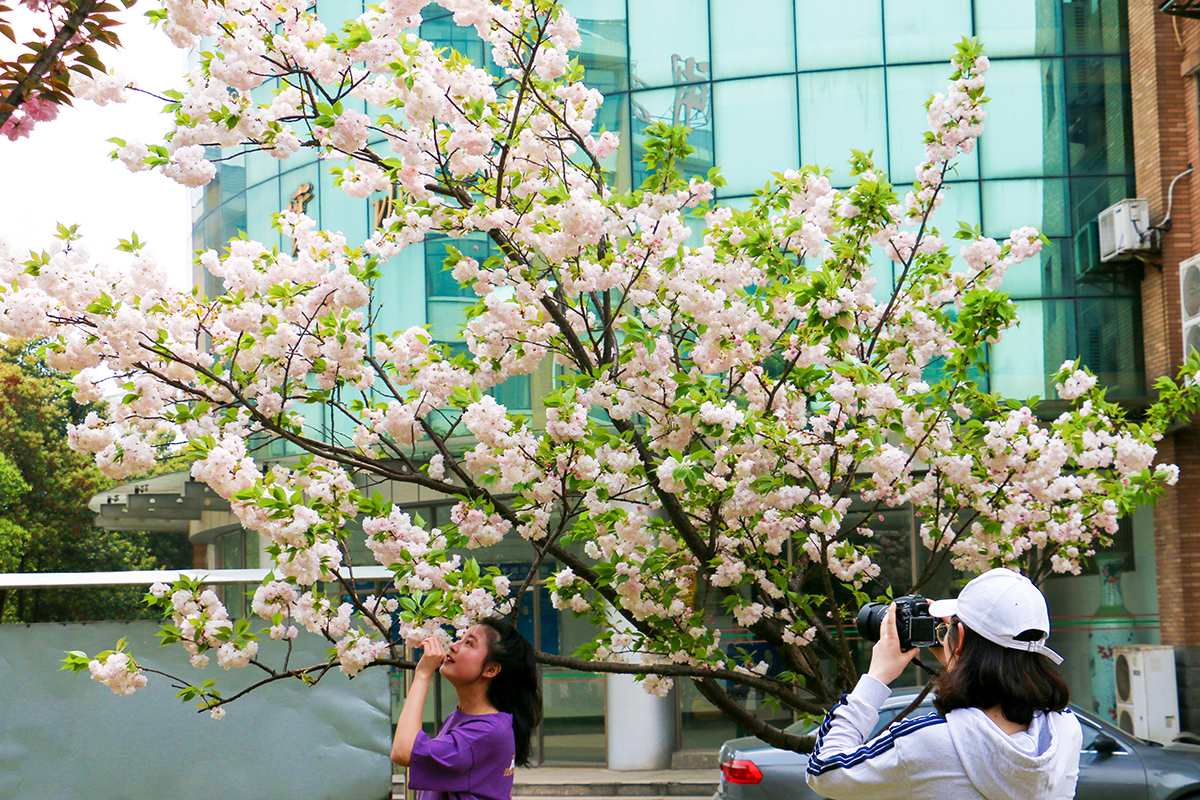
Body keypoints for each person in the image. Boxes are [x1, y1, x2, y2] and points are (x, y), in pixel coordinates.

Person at [806, 567, 1082, 800]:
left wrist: (876, 677)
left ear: (959, 635)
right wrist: (957, 654)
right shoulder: (1066, 728)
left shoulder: (927, 741)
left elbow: (824, 771)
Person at [391, 616, 543, 800]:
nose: (454, 646)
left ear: (491, 670)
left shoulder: (485, 732)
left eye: (469, 644)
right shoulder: (466, 718)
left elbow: (403, 752)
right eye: (461, 639)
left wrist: (423, 674)